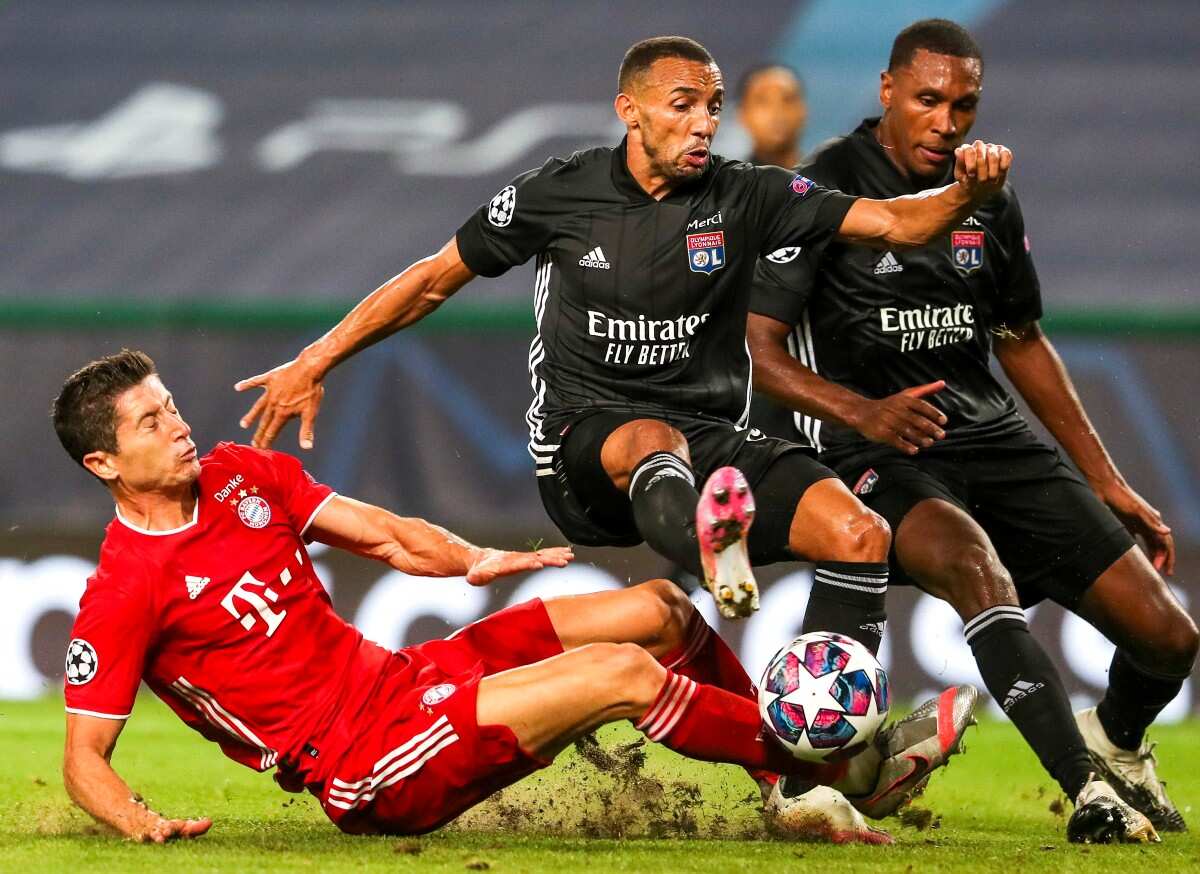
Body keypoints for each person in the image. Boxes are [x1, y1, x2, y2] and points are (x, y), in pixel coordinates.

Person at [234, 36, 1012, 674]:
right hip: (582, 442)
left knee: (858, 532)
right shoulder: (558, 193)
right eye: (683, 107)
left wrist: (965, 195)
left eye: (711, 107)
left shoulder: (749, 195)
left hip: (710, 437)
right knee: (653, 440)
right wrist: (318, 357)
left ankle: (832, 738)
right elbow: (434, 280)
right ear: (629, 112)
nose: (704, 124)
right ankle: (716, 544)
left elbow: (896, 223)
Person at [55, 350, 970, 842]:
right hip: (364, 761)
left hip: (404, 679)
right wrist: (144, 825)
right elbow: (84, 760)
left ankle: (785, 781)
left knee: (657, 609)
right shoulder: (122, 593)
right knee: (620, 673)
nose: (177, 426)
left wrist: (468, 557)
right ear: (104, 463)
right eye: (150, 422)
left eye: (170, 405)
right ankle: (829, 771)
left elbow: (383, 533)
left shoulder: (240, 475)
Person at [747, 18, 1196, 845]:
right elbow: (763, 354)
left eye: (964, 104)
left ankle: (1118, 747)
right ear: (886, 93)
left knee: (1169, 639)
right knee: (974, 568)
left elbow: (1020, 339)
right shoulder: (820, 193)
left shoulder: (986, 192)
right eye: (927, 100)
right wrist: (863, 412)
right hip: (879, 454)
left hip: (992, 440)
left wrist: (1104, 477)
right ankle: (1088, 792)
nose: (947, 122)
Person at [737, 63, 807, 169]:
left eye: (787, 99)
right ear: (743, 114)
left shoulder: (831, 182)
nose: (777, 112)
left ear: (802, 110)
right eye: (763, 101)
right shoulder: (730, 184)